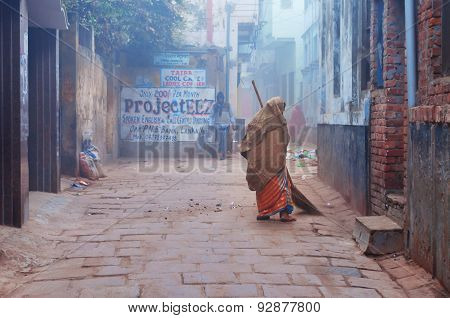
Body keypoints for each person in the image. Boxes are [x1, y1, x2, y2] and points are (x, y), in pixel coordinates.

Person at [240, 96, 317, 222]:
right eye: (281, 108)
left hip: (262, 163)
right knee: (283, 186)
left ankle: (264, 212)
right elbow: (285, 138)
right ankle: (284, 214)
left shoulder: (258, 120)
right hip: (276, 163)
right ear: (277, 108)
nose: (282, 111)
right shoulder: (279, 122)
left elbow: (249, 137)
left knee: (264, 185)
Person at [210, 92, 236, 160]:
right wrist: (211, 125)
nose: (220, 99)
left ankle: (223, 155)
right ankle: (220, 153)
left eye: (222, 98)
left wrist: (233, 123)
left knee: (224, 140)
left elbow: (231, 115)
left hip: (226, 125)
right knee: (219, 141)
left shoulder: (227, 105)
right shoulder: (215, 106)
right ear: (217, 98)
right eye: (219, 98)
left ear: (223, 98)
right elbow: (211, 116)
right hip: (217, 125)